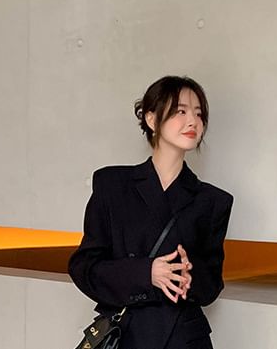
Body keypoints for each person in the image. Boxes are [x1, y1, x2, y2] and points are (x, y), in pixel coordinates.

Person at [68, 75, 234, 349]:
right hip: (126, 337)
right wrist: (146, 273)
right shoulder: (112, 185)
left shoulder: (213, 201)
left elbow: (212, 286)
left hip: (184, 340)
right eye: (181, 111)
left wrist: (190, 278)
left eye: (199, 114)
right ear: (152, 119)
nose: (193, 121)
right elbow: (84, 267)